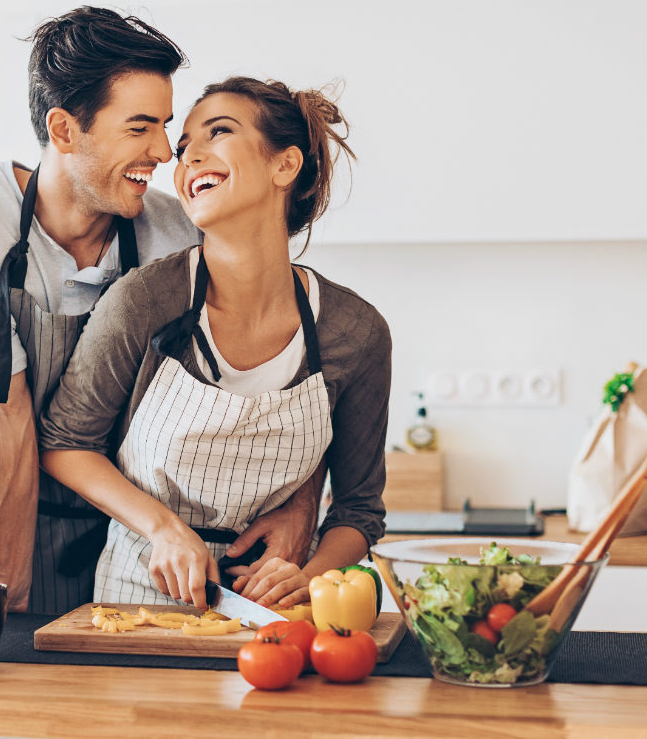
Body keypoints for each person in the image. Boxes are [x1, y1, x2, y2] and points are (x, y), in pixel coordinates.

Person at [0, 9, 322, 614]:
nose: (164, 151)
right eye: (140, 128)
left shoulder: (178, 229)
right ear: (64, 130)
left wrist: (301, 505)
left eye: (165, 126)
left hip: (130, 547)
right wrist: (8, 595)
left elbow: (285, 374)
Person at [38, 77, 390, 610]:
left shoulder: (355, 331)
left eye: (216, 133)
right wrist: (163, 528)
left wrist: (311, 575)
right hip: (138, 599)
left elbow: (359, 511)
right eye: (183, 149)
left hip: (278, 609)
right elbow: (66, 444)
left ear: (284, 166)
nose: (185, 157)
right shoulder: (144, 301)